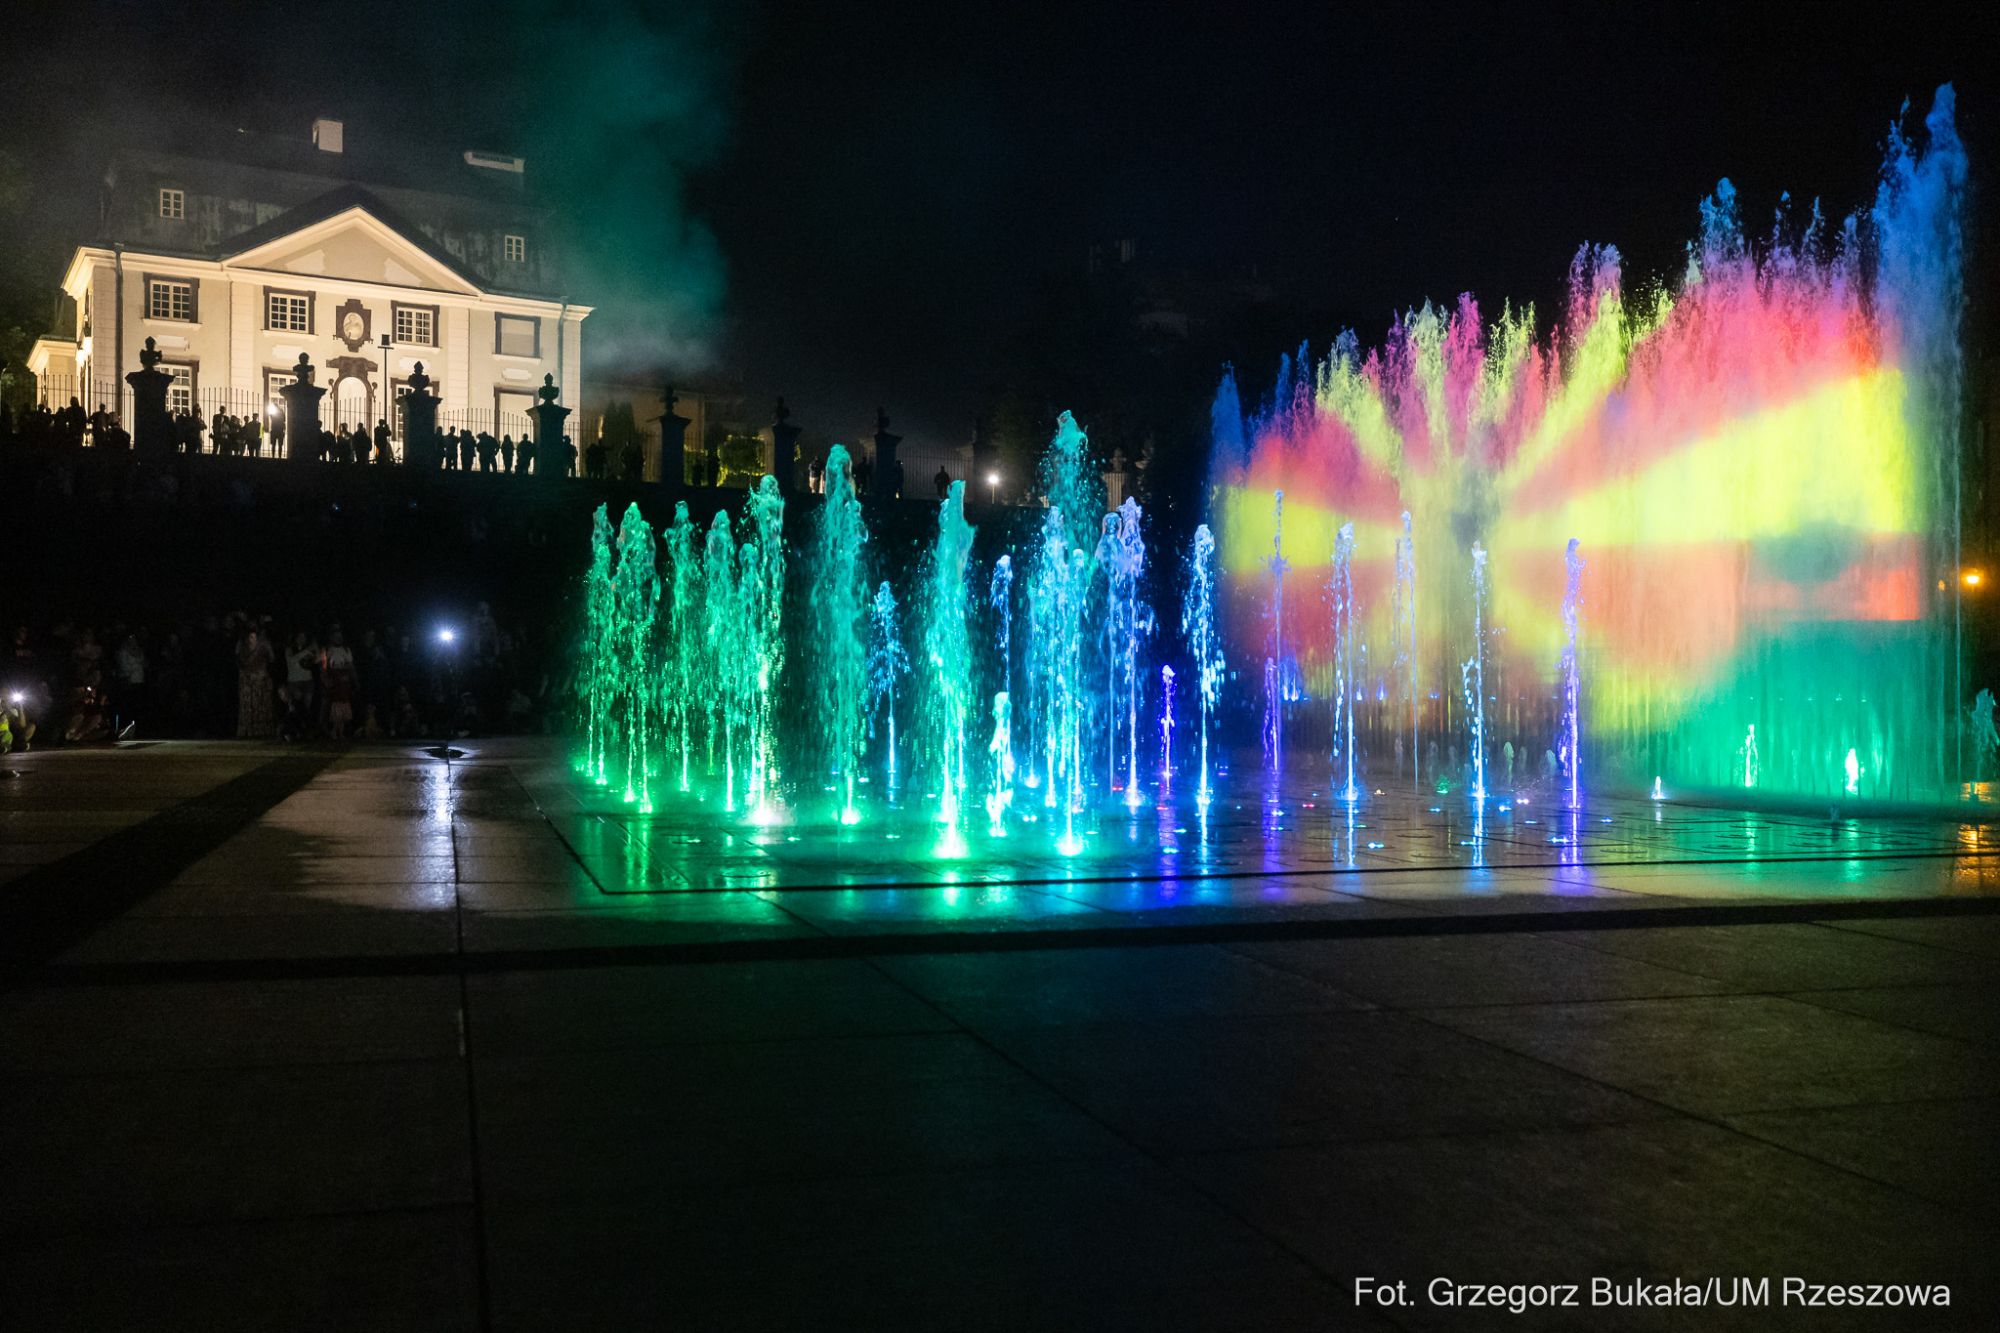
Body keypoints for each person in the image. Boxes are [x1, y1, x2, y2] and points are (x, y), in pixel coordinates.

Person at [236, 628, 275, 738]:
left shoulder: (263, 649)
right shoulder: (243, 649)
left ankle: (261, 731)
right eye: (251, 637)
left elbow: (271, 661)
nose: (253, 639)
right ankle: (247, 731)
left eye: (255, 637)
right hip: (247, 683)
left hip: (260, 682)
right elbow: (241, 665)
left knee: (260, 705)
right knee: (248, 706)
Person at [323, 628, 356, 740]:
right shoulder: (328, 650)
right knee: (336, 706)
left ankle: (341, 732)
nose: (338, 638)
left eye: (340, 637)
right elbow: (324, 666)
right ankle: (333, 731)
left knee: (343, 705)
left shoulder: (346, 650)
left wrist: (353, 679)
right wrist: (326, 679)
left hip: (344, 682)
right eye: (336, 636)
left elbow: (350, 666)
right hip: (334, 681)